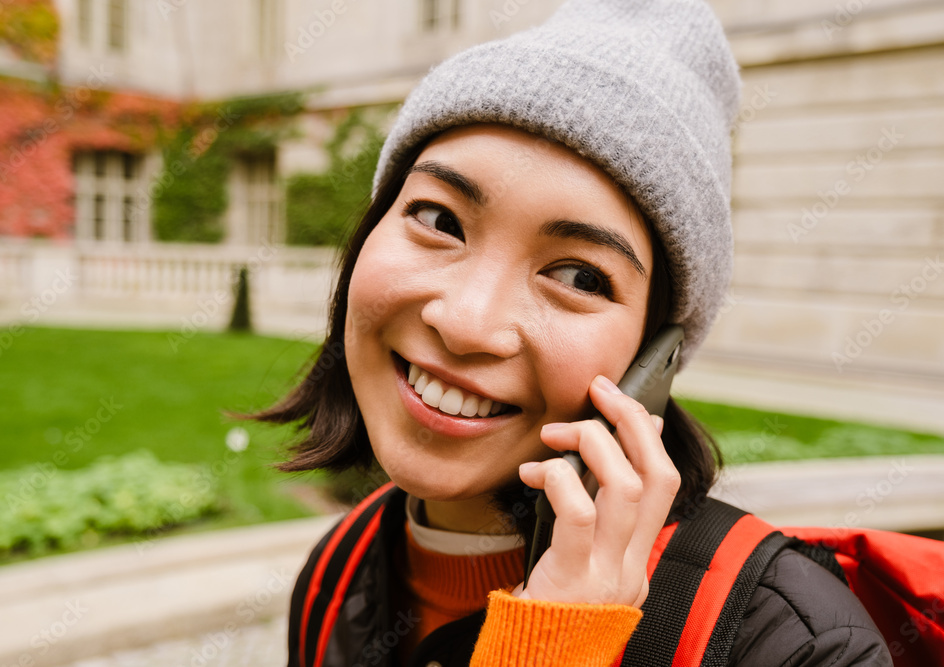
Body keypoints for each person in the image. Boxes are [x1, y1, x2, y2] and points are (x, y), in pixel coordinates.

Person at [250, 0, 893, 664]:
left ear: (656, 358)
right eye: (440, 219)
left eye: (581, 276)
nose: (468, 322)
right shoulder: (339, 570)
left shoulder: (796, 644)